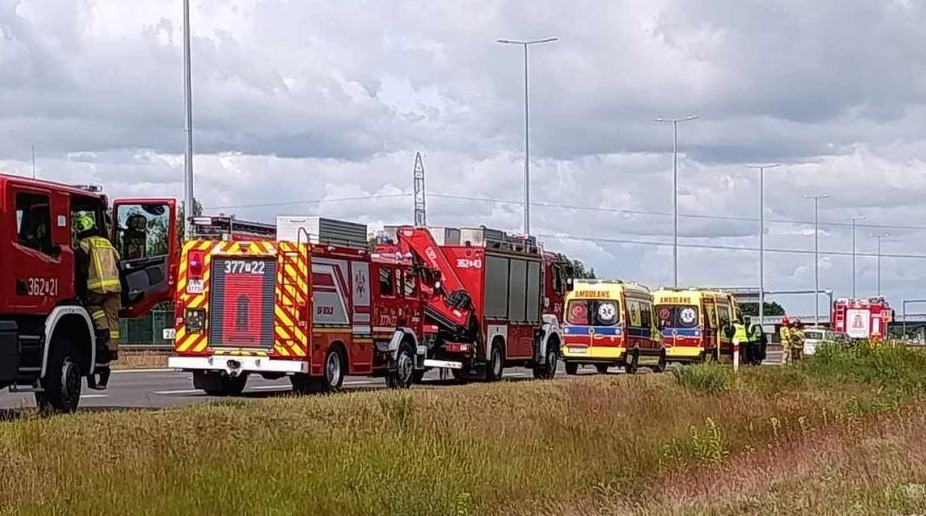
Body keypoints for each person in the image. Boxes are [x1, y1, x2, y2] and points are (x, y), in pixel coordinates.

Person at [73, 213, 122, 390]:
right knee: (113, 318)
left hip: (96, 288)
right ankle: (112, 349)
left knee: (93, 308)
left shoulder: (86, 244)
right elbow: (118, 260)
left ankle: (102, 334)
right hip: (114, 288)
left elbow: (77, 259)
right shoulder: (107, 243)